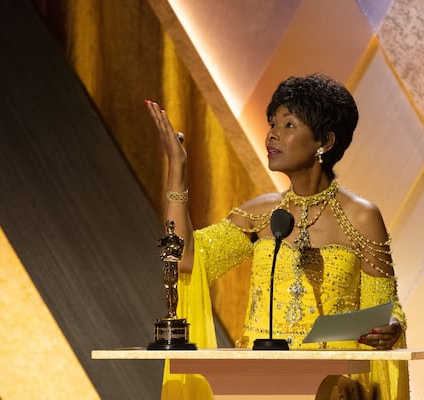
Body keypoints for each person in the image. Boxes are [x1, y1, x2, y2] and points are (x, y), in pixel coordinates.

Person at [146, 73, 409, 400]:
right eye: (272, 124)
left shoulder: (362, 217)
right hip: (259, 385)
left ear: (324, 142)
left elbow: (384, 306)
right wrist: (177, 169)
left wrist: (392, 327)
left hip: (335, 388)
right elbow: (185, 259)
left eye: (288, 125)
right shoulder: (259, 214)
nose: (272, 135)